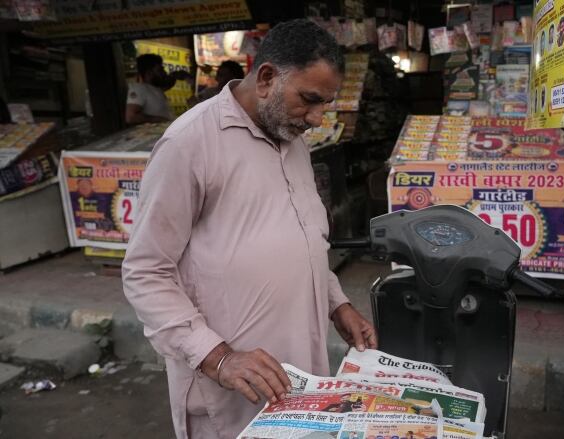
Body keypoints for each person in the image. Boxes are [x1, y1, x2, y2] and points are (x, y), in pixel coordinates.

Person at [122, 19, 377, 439]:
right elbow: (145, 271)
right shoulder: (189, 144)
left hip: (298, 381)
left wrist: (337, 304)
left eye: (325, 105)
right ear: (266, 78)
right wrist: (219, 358)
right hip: (230, 393)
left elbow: (303, 239)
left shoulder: (292, 141)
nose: (316, 118)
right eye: (309, 100)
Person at [125, 54, 180, 125]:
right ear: (149, 73)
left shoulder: (156, 89)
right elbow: (131, 117)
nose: (164, 72)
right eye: (160, 70)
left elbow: (169, 82)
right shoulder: (139, 89)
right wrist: (161, 119)